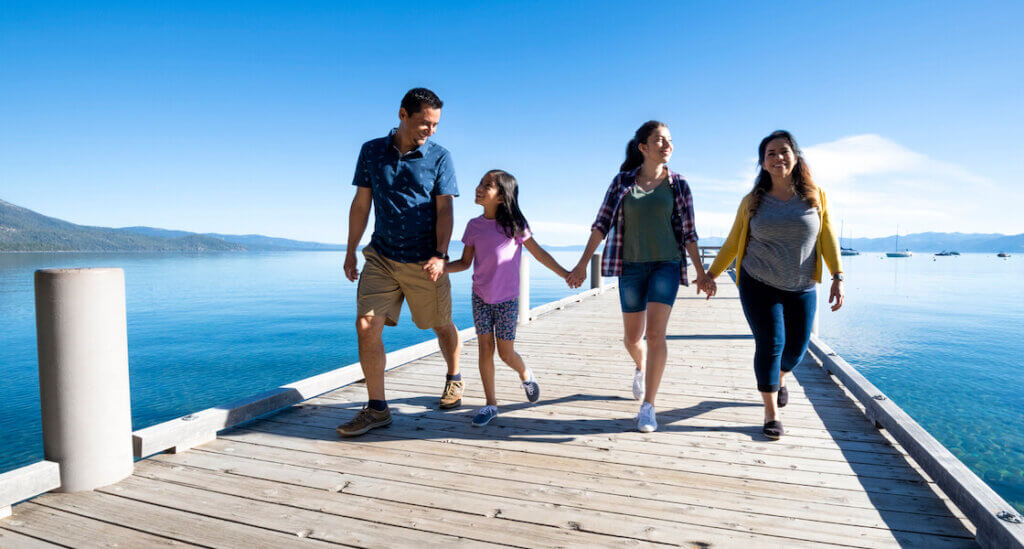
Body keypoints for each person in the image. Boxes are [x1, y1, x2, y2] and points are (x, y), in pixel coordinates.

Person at [567, 121, 711, 433]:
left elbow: (689, 232)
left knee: (656, 335)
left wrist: (701, 273)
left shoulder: (679, 185)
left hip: (666, 265)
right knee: (632, 339)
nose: (667, 145)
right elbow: (601, 224)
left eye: (670, 140)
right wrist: (580, 265)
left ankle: (649, 407)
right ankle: (641, 366)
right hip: (630, 266)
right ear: (643, 147)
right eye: (660, 140)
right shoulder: (621, 182)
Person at [337, 88, 464, 437]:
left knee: (440, 325)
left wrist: (440, 255)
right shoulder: (372, 151)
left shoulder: (440, 157)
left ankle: (454, 376)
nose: (431, 130)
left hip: (426, 261)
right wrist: (350, 249)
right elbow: (361, 203)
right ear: (402, 115)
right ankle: (377, 409)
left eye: (436, 124)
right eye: (425, 122)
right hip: (381, 257)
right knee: (366, 325)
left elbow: (445, 210)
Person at [702, 130, 845, 440]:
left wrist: (838, 277)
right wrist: (711, 274)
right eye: (771, 154)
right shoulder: (752, 201)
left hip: (802, 284)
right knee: (771, 344)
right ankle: (771, 413)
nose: (778, 157)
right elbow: (731, 242)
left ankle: (779, 378)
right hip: (758, 281)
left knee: (796, 349)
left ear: (795, 157)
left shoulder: (816, 196)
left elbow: (828, 237)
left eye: (784, 151)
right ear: (763, 164)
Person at [446, 170, 578, 427]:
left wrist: (565, 274)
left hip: (506, 300)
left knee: (505, 353)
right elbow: (464, 262)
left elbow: (539, 254)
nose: (479, 188)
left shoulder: (514, 226)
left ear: (501, 196)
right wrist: (441, 268)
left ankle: (526, 374)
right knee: (485, 348)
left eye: (487, 185)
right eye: (480, 183)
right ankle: (491, 404)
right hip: (480, 298)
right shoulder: (473, 226)